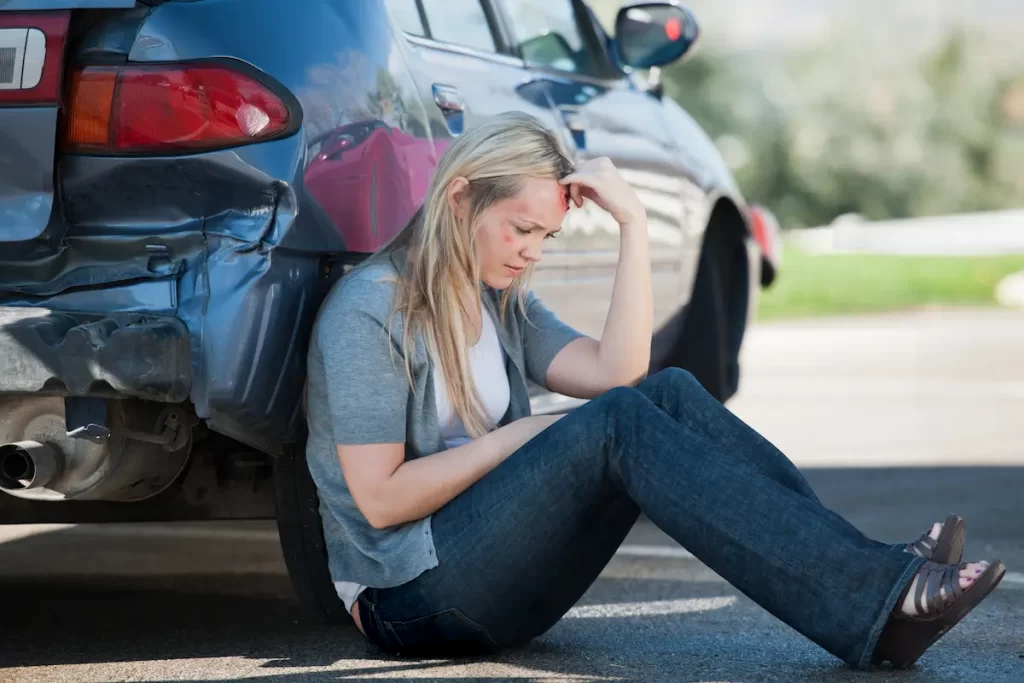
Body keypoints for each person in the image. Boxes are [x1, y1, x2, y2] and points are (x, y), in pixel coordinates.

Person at [303, 111, 1006, 670]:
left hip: (486, 576)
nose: (531, 253)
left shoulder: (499, 299)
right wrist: (522, 435)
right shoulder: (372, 311)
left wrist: (633, 222)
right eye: (521, 229)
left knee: (664, 391)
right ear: (459, 199)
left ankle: (872, 580)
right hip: (409, 595)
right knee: (616, 424)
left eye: (545, 235)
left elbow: (620, 372)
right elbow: (381, 497)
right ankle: (878, 594)